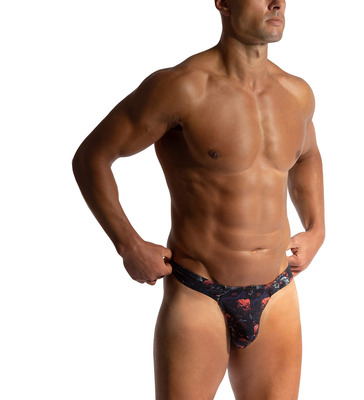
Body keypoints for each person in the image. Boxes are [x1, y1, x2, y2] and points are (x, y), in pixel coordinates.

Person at [72, 0, 325, 398]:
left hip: (278, 291)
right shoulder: (182, 87)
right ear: (223, 3)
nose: (277, 3)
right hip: (199, 292)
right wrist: (128, 245)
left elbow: (307, 155)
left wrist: (316, 228)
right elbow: (92, 157)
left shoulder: (297, 93)